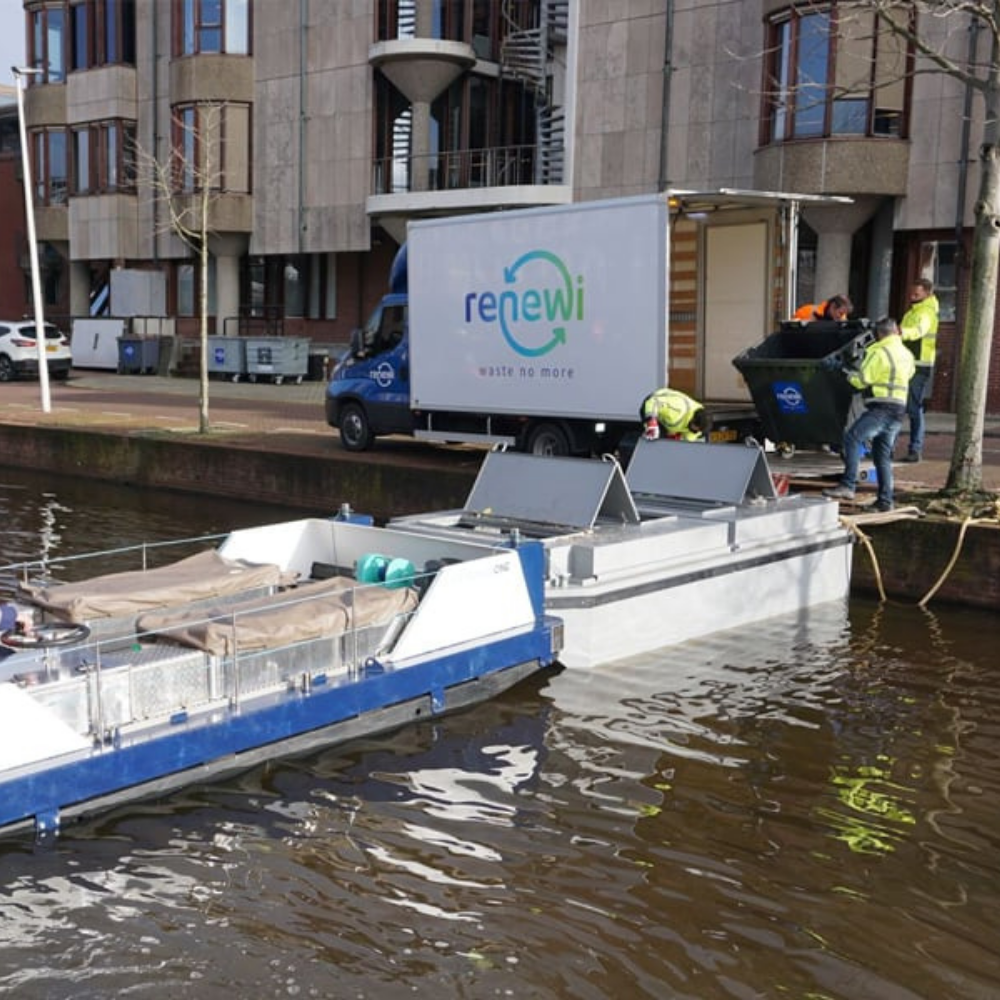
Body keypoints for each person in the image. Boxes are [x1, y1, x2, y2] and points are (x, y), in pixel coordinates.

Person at [824, 317, 916, 512]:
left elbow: (861, 381)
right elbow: (909, 374)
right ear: (896, 332)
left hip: (881, 409)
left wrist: (841, 370)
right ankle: (885, 501)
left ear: (879, 334)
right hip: (898, 410)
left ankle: (848, 486)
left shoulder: (878, 351)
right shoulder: (906, 354)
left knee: (851, 439)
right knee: (882, 456)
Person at [899, 277, 940, 463]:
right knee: (903, 406)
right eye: (911, 292)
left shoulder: (926, 312)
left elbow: (918, 331)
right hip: (908, 362)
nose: (912, 296)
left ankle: (915, 449)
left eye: (916, 293)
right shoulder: (913, 311)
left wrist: (900, 332)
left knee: (913, 408)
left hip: (919, 364)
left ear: (927, 293)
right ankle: (904, 449)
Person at [641, 388, 712, 441]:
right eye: (696, 429)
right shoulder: (678, 409)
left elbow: (688, 440)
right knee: (654, 438)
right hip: (652, 405)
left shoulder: (698, 428)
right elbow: (654, 402)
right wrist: (652, 423)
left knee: (665, 444)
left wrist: (678, 439)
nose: (696, 432)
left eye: (698, 431)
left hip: (670, 425)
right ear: (693, 420)